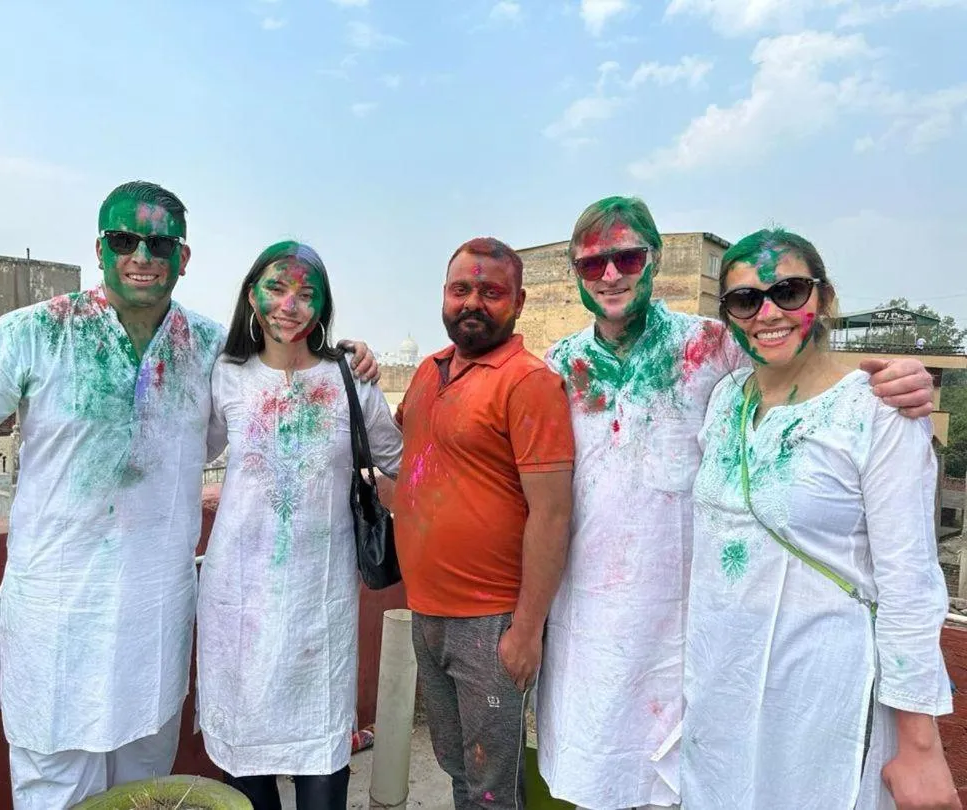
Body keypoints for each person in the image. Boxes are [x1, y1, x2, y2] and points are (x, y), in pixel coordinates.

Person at [0, 182, 378, 810]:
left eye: (159, 244)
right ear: (100, 248)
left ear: (183, 257)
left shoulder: (210, 351)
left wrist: (349, 357)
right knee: (56, 789)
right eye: (124, 240)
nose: (141, 256)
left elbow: (277, 388)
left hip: (156, 621)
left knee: (148, 790)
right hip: (58, 619)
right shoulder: (33, 334)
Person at [534, 197, 937, 810]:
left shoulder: (711, 346)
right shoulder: (559, 367)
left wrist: (895, 377)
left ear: (656, 259)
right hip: (598, 629)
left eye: (628, 257)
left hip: (698, 641)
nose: (611, 274)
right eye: (592, 264)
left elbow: (801, 370)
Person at [682, 229, 959, 810]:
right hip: (721, 688)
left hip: (825, 700)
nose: (768, 313)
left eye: (788, 291)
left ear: (824, 298)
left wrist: (920, 746)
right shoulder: (725, 399)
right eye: (745, 300)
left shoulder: (877, 412)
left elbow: (909, 581)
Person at [199, 241, 402, 810]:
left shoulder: (350, 379)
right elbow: (187, 451)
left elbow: (401, 460)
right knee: (245, 764)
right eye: (277, 288)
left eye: (306, 293)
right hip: (238, 608)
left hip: (320, 608)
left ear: (323, 306)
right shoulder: (226, 375)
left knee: (322, 758)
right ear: (251, 296)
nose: (290, 305)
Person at [392, 237, 576, 810]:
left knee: (492, 783)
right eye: (461, 289)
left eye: (491, 292)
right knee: (456, 765)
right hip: (428, 610)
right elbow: (416, 463)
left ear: (518, 302)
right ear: (444, 296)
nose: (472, 302)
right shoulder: (428, 372)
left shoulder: (529, 382)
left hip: (491, 622)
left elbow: (552, 514)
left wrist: (526, 630)